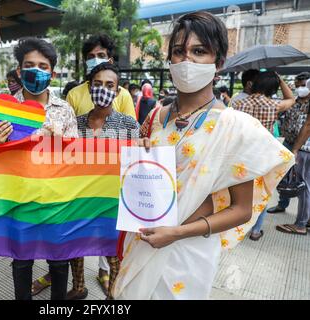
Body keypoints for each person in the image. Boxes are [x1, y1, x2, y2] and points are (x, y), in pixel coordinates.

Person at [113, 11, 294, 300]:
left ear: (218, 62)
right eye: (178, 51)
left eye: (199, 51)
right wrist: (140, 157)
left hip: (188, 251)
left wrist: (176, 233)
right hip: (143, 239)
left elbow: (241, 210)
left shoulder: (236, 126)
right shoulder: (156, 117)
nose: (187, 60)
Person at [0, 37, 78, 300]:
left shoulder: (64, 110)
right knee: (21, 261)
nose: (36, 71)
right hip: (19, 199)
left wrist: (62, 145)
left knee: (60, 261)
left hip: (57, 200)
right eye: (30, 65)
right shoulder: (5, 108)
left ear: (51, 72)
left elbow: (76, 162)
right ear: (19, 70)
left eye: (43, 66)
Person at [67, 63, 140, 300]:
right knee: (76, 248)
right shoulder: (74, 125)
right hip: (80, 198)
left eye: (110, 85)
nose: (103, 89)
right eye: (97, 84)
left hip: (112, 202)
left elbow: (138, 162)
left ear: (117, 92)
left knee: (113, 252)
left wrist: (146, 147)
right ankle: (78, 287)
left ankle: (113, 296)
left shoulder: (128, 126)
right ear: (89, 88)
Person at [233, 71, 295, 240]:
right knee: (262, 192)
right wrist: (280, 79)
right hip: (263, 156)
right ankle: (255, 231)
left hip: (241, 155)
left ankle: (236, 227)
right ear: (272, 88)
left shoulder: (238, 104)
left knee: (239, 191)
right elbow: (292, 99)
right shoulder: (273, 105)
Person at [268, 72, 310, 214]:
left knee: (302, 180)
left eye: (303, 86)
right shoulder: (292, 101)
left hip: (304, 147)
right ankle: (282, 204)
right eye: (297, 86)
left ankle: (304, 214)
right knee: (283, 175)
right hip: (287, 143)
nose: (300, 89)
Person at [66, 34, 136, 119]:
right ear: (86, 62)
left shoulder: (123, 95)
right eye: (91, 57)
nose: (95, 60)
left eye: (101, 55)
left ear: (110, 61)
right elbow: (68, 127)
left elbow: (130, 128)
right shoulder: (73, 95)